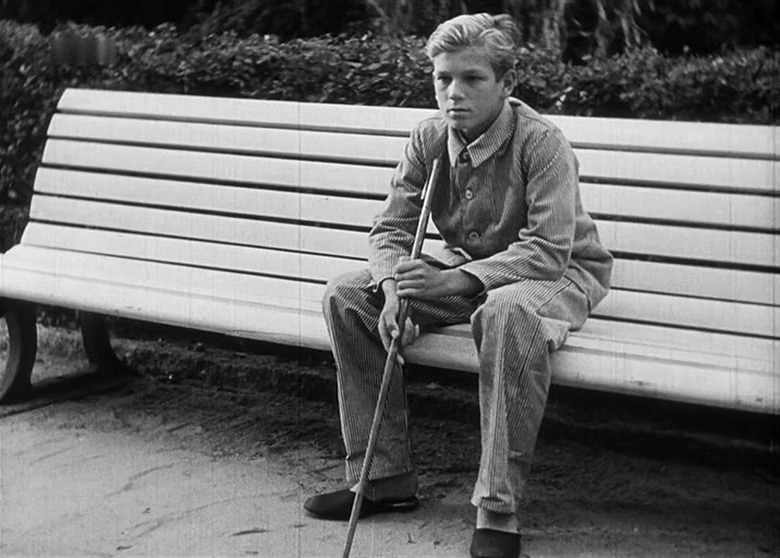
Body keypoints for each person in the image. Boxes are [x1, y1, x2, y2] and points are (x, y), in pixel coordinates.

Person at [304, 12, 613, 558]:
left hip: (555, 274)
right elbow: (392, 230)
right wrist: (393, 289)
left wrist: (449, 279)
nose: (454, 92)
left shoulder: (542, 143)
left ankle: (498, 508)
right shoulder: (428, 138)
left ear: (506, 83)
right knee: (348, 297)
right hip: (468, 269)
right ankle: (383, 478)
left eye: (472, 78)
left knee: (504, 312)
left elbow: (547, 250)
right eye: (443, 78)